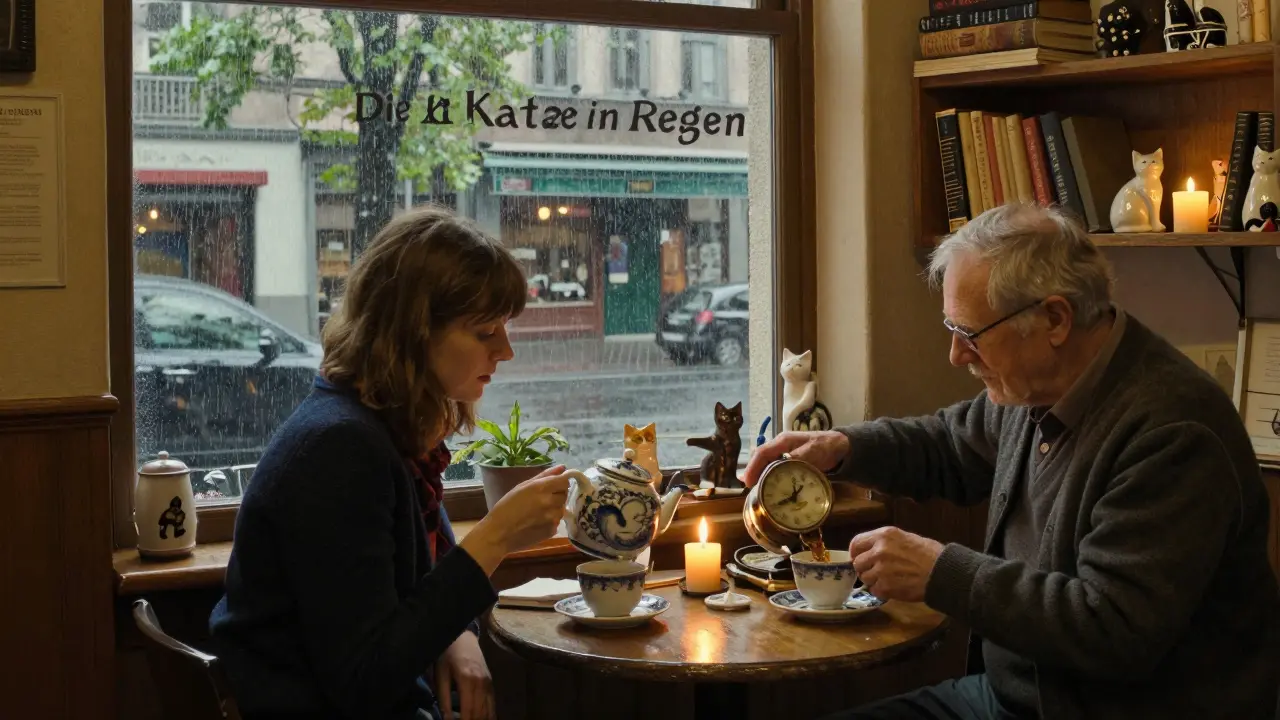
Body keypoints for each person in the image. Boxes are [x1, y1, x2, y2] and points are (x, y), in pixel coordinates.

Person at [744, 204, 1280, 719]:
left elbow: (1112, 628)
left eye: (970, 335)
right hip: (1010, 699)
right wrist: (845, 448)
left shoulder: (1173, 433)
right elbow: (949, 445)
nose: (956, 356)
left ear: (1054, 319)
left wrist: (941, 572)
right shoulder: (1035, 388)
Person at [209, 206, 572, 720]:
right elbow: (364, 681)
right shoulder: (341, 451)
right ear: (415, 332)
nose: (506, 351)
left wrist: (460, 635)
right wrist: (497, 536)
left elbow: (423, 576)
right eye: (486, 331)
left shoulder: (378, 428)